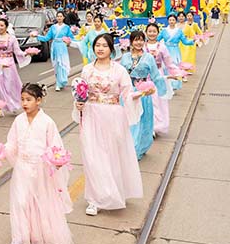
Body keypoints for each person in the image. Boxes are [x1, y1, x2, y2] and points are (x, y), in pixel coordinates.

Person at [74, 33, 144, 216]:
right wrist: (78, 104)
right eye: (97, 45)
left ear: (111, 49)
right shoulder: (87, 70)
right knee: (92, 156)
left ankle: (112, 192)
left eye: (104, 45)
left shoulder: (119, 70)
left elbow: (128, 93)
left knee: (110, 156)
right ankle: (94, 199)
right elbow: (80, 94)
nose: (100, 48)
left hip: (112, 116)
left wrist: (142, 94)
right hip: (90, 114)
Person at [5, 83, 73, 244]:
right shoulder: (18, 120)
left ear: (39, 100)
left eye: (29, 99)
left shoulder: (47, 122)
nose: (24, 103)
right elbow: (11, 143)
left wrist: (56, 162)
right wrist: (1, 152)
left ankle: (41, 234)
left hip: (41, 168)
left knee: (41, 202)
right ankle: (18, 239)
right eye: (22, 100)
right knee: (20, 202)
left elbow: (55, 146)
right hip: (22, 167)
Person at [120, 31, 168, 160]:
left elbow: (155, 76)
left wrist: (162, 91)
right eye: (135, 40)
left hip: (143, 94)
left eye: (141, 40)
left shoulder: (149, 58)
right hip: (127, 94)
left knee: (142, 121)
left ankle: (138, 148)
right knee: (128, 121)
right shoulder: (125, 57)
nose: (138, 42)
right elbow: (118, 75)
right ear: (131, 41)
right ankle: (127, 148)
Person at [0, 14, 32, 114]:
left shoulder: (12, 39)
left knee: (9, 86)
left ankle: (13, 105)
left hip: (9, 65)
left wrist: (26, 53)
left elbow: (17, 52)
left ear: (6, 27)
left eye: (1, 25)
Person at [145, 23, 177, 136]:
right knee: (148, 102)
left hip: (158, 76)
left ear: (158, 33)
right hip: (146, 77)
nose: (152, 33)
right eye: (149, 31)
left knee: (159, 101)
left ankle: (157, 126)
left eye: (154, 31)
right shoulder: (142, 47)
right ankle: (149, 127)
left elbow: (169, 62)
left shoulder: (162, 47)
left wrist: (176, 73)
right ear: (146, 32)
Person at [37, 11, 74, 91]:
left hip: (62, 47)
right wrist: (37, 36)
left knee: (62, 64)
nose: (59, 18)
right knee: (56, 65)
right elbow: (47, 38)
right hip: (55, 47)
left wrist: (69, 41)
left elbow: (71, 37)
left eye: (61, 16)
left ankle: (62, 81)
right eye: (58, 16)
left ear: (63, 17)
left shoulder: (66, 27)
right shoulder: (53, 27)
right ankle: (58, 83)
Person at [157, 14, 193, 91]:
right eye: (170, 20)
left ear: (175, 21)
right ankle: (167, 84)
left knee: (175, 66)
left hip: (175, 50)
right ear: (168, 21)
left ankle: (175, 84)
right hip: (166, 50)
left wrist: (194, 41)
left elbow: (185, 41)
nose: (171, 22)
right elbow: (157, 39)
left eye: (173, 20)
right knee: (165, 67)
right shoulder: (164, 30)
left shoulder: (179, 31)